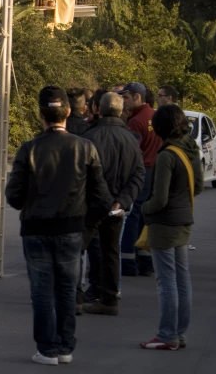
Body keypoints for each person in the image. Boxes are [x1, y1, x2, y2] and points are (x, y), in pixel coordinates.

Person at [6, 86, 113, 366]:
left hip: (36, 229)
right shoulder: (85, 147)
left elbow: (14, 196)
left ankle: (47, 349)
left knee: (42, 291)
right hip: (71, 229)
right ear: (68, 112)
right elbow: (102, 198)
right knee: (66, 290)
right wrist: (86, 224)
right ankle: (65, 347)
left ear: (41, 114)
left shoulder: (29, 149)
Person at [138, 104, 203, 350]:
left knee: (166, 282)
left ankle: (167, 335)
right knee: (182, 279)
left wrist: (142, 209)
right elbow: (196, 187)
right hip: (184, 219)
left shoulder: (166, 155)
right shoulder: (191, 148)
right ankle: (180, 333)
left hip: (164, 224)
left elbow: (159, 199)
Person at [80, 93, 146, 315]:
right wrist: (122, 201)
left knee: (77, 249)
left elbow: (82, 173)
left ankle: (74, 295)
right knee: (111, 250)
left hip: (90, 204)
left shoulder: (89, 137)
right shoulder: (131, 139)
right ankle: (109, 298)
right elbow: (139, 173)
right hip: (116, 206)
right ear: (121, 111)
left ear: (98, 108)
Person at [119, 82, 162, 277]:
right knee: (146, 216)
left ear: (137, 97)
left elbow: (132, 151)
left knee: (134, 215)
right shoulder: (154, 116)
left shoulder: (136, 121)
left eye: (126, 97)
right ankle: (146, 262)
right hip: (155, 171)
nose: (123, 101)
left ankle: (128, 261)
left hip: (142, 171)